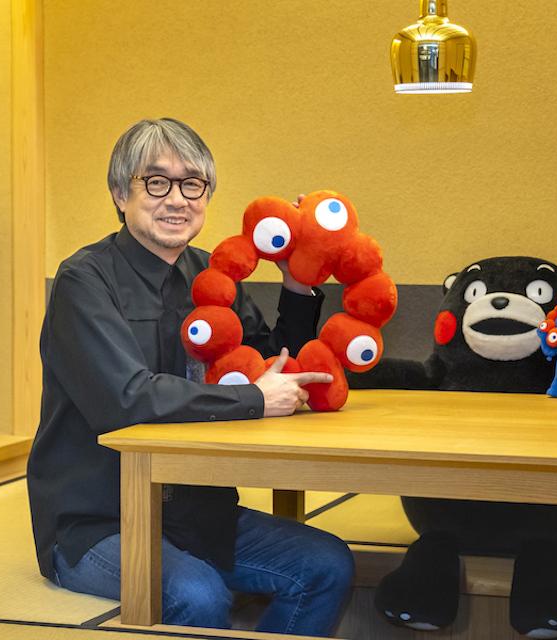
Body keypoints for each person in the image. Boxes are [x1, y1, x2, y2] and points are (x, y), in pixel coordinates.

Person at [27, 118, 355, 636]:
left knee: (327, 564)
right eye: (155, 182)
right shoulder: (83, 280)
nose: (176, 199)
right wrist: (251, 399)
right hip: (100, 522)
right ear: (119, 192)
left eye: (192, 184)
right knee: (197, 594)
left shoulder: (212, 275)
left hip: (199, 513)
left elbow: (274, 367)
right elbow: (125, 398)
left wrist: (296, 285)